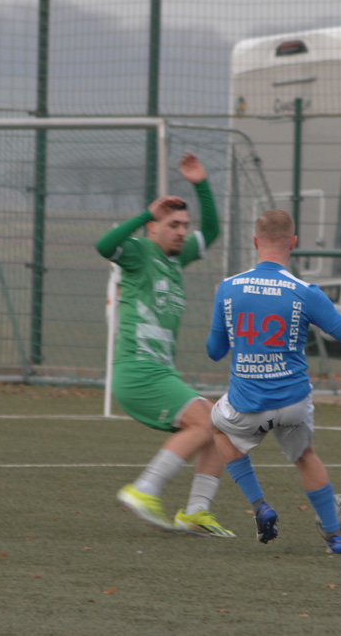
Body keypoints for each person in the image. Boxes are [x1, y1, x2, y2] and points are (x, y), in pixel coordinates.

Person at [207, 209, 341, 554]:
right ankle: (335, 538)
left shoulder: (228, 288)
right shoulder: (305, 292)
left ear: (255, 242)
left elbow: (214, 351)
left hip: (246, 404)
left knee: (217, 428)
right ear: (293, 243)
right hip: (293, 402)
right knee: (305, 456)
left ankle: (260, 506)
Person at [97, 151, 235, 537]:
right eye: (172, 224)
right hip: (137, 370)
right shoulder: (139, 253)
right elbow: (104, 246)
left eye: (184, 225)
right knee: (204, 421)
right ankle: (144, 488)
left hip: (159, 371)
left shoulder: (176, 259)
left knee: (219, 424)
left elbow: (212, 231)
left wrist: (201, 184)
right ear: (153, 229)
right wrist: (146, 213)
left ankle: (196, 512)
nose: (180, 231)